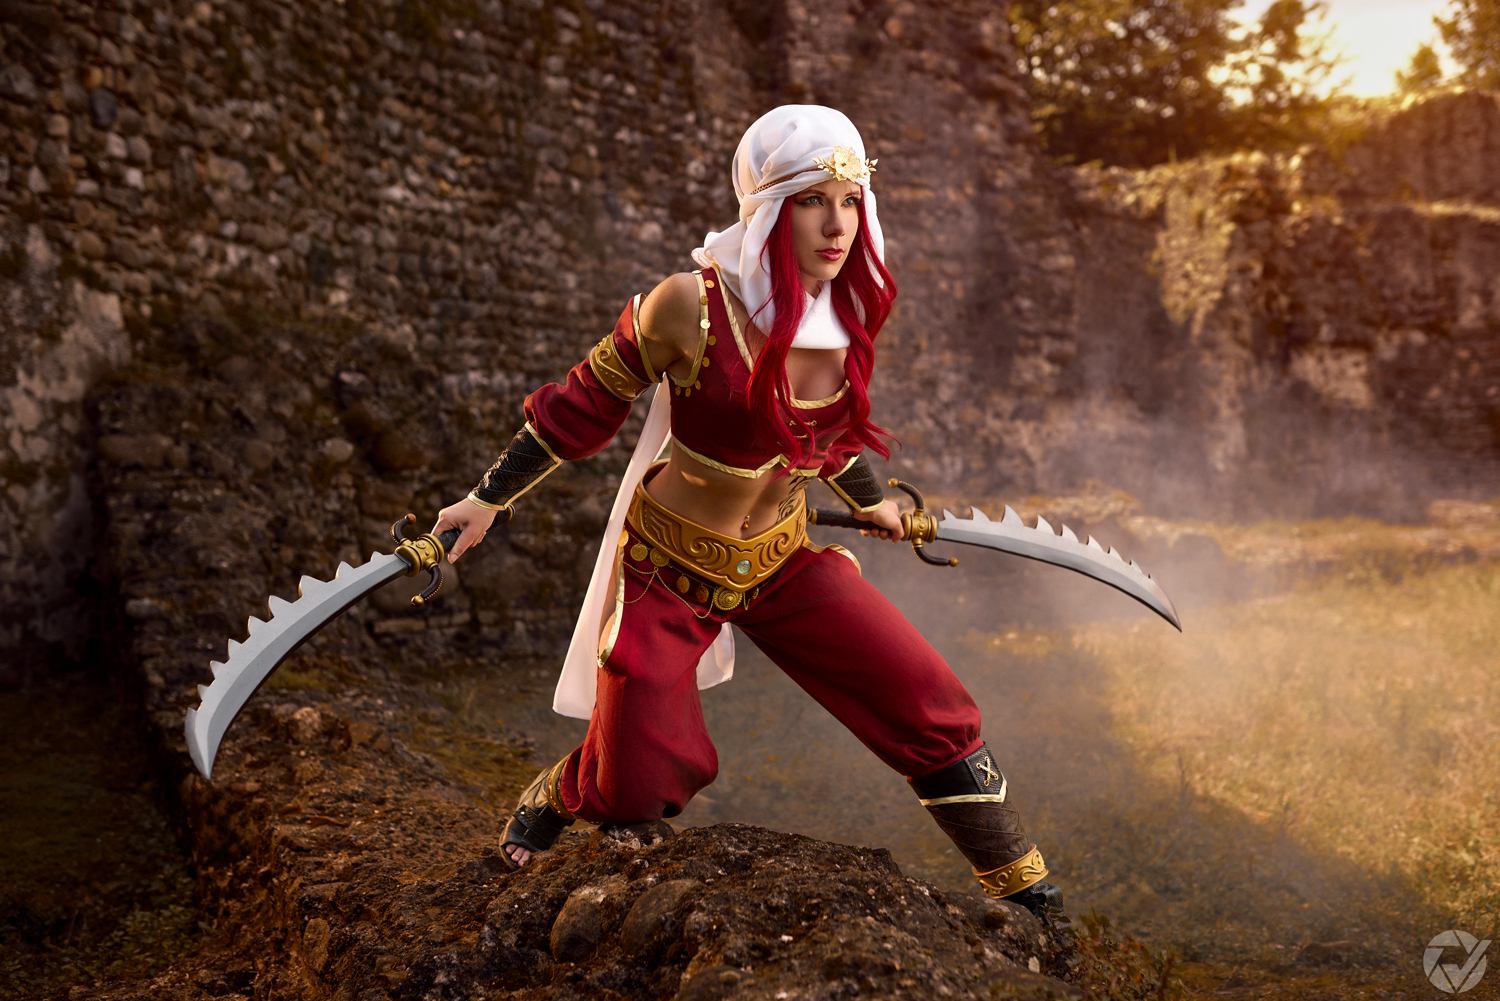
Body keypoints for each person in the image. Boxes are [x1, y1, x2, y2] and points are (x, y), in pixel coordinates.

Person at [433, 105, 1061, 916]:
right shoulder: (686, 305)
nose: (837, 224)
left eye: (851, 200)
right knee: (636, 787)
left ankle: (1028, 892)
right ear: (769, 207)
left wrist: (874, 504)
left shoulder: (841, 313)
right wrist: (486, 498)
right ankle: (564, 785)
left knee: (923, 694)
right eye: (812, 201)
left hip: (781, 558)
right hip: (669, 566)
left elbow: (827, 437)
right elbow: (580, 405)